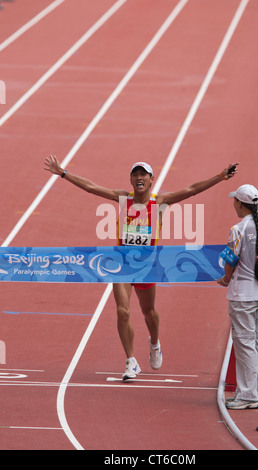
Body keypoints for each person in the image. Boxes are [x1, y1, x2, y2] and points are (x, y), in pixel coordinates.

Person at [44, 155, 238, 380]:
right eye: (135, 174)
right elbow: (91, 187)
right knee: (122, 311)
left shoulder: (160, 202)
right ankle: (131, 361)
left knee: (149, 313)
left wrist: (221, 177)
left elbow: (192, 189)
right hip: (122, 265)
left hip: (147, 267)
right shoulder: (122, 198)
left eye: (143, 174)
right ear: (130, 179)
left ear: (151, 179)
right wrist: (63, 173)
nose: (139, 177)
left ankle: (154, 343)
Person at [217, 184, 258, 409]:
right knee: (255, 342)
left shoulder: (238, 229)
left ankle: (248, 396)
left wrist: (224, 279)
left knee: (245, 344)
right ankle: (249, 391)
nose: (233, 204)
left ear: (240, 203)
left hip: (243, 295)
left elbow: (230, 261)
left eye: (235, 201)